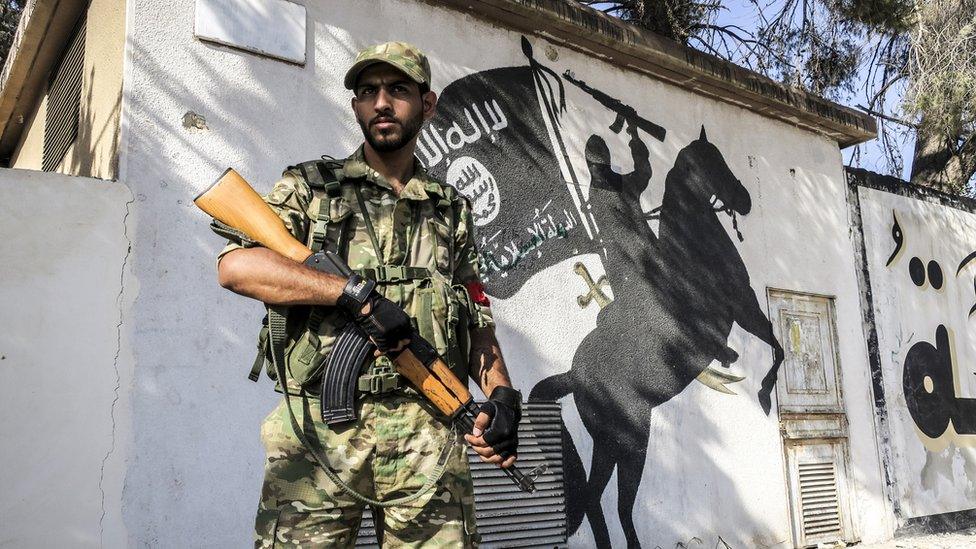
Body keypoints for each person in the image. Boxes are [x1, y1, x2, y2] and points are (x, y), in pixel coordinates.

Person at [215, 42, 522, 548]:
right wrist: (351, 294)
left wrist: (504, 395)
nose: (382, 102)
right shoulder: (310, 188)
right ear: (356, 105)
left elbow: (475, 312)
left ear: (427, 104)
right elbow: (237, 267)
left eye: (398, 90)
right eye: (367, 91)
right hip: (320, 433)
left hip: (430, 429)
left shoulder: (450, 210)